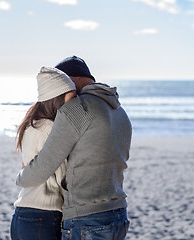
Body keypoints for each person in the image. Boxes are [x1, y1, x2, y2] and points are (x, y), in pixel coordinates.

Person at [16, 56, 132, 240]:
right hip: (119, 214)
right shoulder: (119, 111)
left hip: (87, 218)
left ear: (73, 79)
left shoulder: (77, 109)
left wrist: (21, 176)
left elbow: (43, 166)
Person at [10, 67, 76, 240]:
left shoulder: (31, 125)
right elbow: (63, 174)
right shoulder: (51, 129)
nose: (75, 101)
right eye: (72, 96)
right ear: (57, 98)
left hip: (22, 214)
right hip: (43, 216)